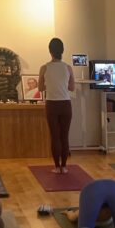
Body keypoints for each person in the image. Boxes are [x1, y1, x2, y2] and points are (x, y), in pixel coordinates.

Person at [39, 38, 75, 174]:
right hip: (66, 104)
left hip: (52, 105)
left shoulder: (44, 68)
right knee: (64, 136)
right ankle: (64, 167)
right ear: (62, 51)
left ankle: (56, 166)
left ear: (50, 51)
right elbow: (72, 88)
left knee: (54, 136)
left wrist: (50, 84)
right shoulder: (68, 68)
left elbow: (40, 88)